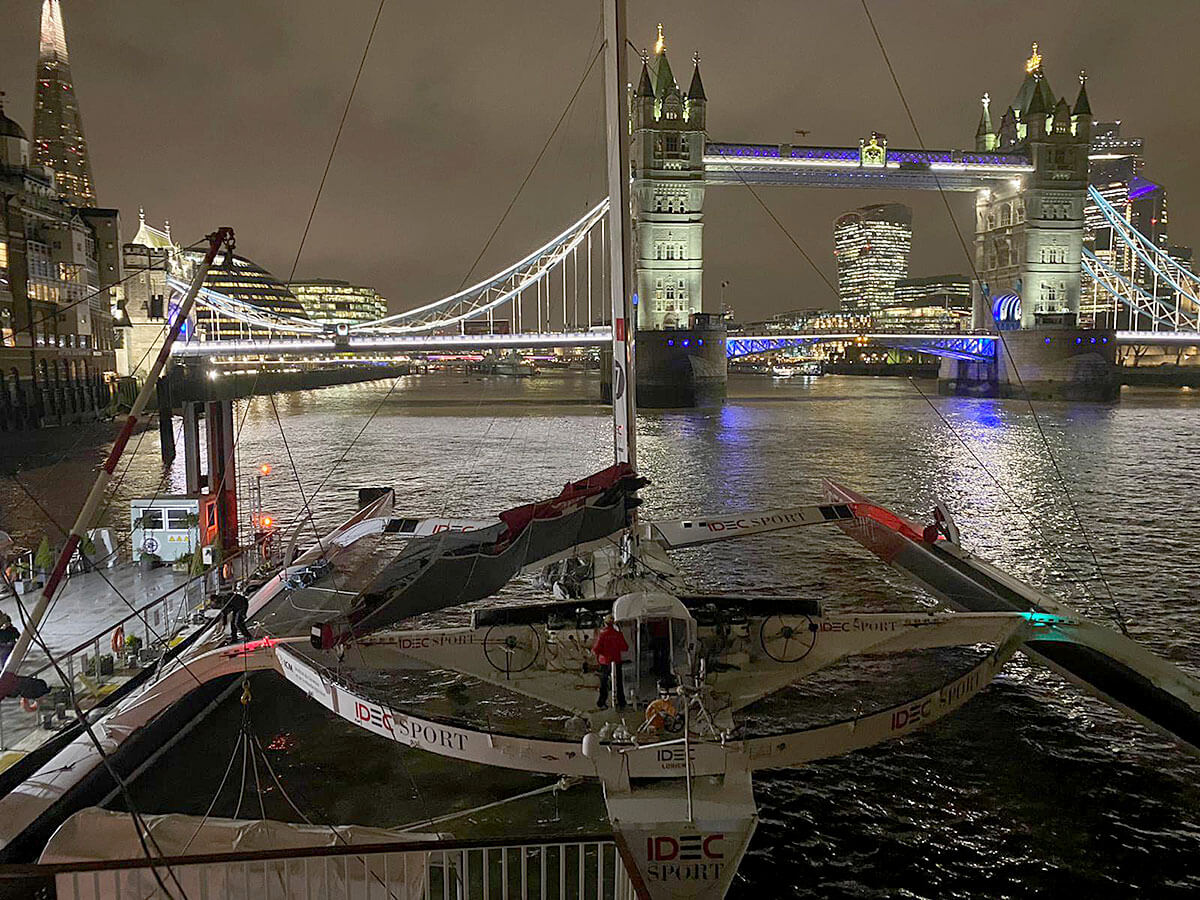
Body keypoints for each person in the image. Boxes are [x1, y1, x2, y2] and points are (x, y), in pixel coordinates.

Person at [591, 615, 628, 710]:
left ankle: (602, 702)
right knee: (619, 682)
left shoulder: (602, 635)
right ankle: (621, 702)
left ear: (605, 623)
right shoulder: (618, 634)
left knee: (604, 683)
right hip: (616, 660)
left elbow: (596, 649)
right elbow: (625, 647)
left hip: (605, 662)